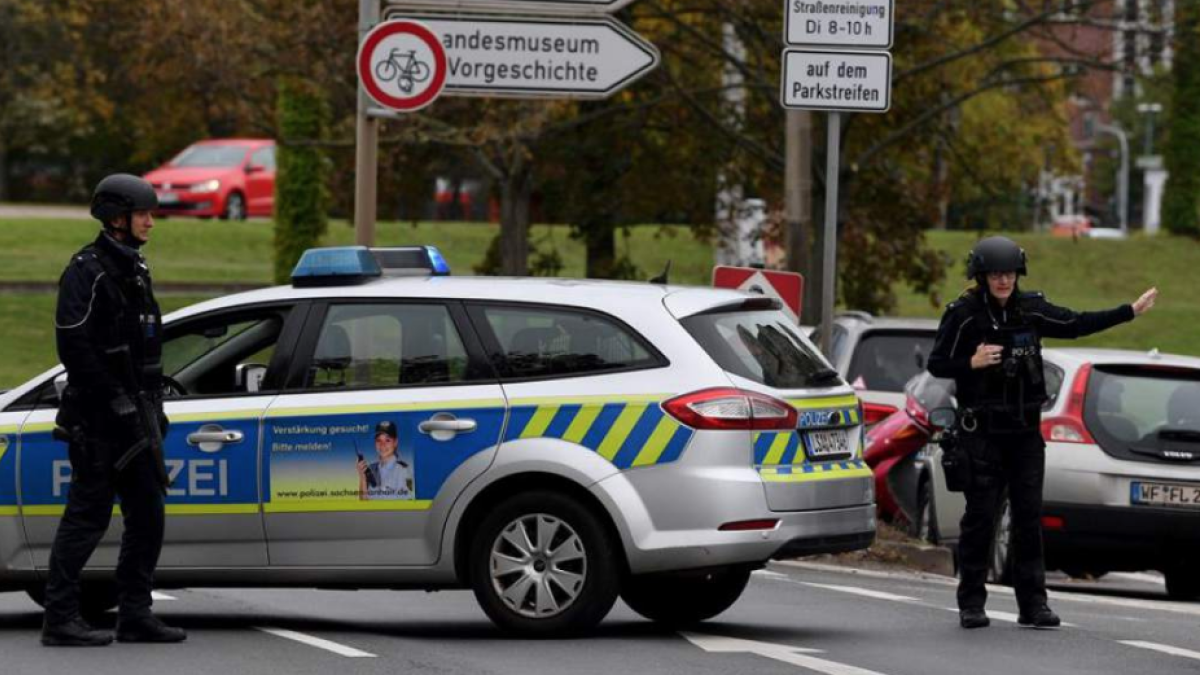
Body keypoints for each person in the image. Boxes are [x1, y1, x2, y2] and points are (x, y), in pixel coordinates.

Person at [927, 236, 1157, 630]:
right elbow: (937, 364)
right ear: (982, 277)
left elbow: (1076, 323)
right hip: (981, 434)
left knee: (1028, 518)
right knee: (980, 518)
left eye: (1010, 273)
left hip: (1025, 433)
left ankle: (1033, 604)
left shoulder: (1030, 309)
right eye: (996, 274)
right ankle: (971, 603)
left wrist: (1128, 312)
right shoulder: (963, 314)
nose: (1004, 281)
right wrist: (972, 361)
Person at [41, 174, 186, 647]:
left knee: (148, 513)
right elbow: (74, 346)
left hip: (137, 417)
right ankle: (60, 618)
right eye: (143, 213)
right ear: (117, 219)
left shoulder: (136, 268)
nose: (151, 221)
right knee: (88, 517)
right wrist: (112, 398)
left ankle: (135, 614)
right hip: (97, 420)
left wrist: (151, 401)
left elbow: (147, 344)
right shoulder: (87, 270)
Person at [358, 421, 414, 500]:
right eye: (378, 440)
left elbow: (406, 507)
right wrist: (362, 478)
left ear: (395, 442)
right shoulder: (371, 469)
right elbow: (364, 504)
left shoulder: (404, 471)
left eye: (387, 440)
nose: (382, 445)